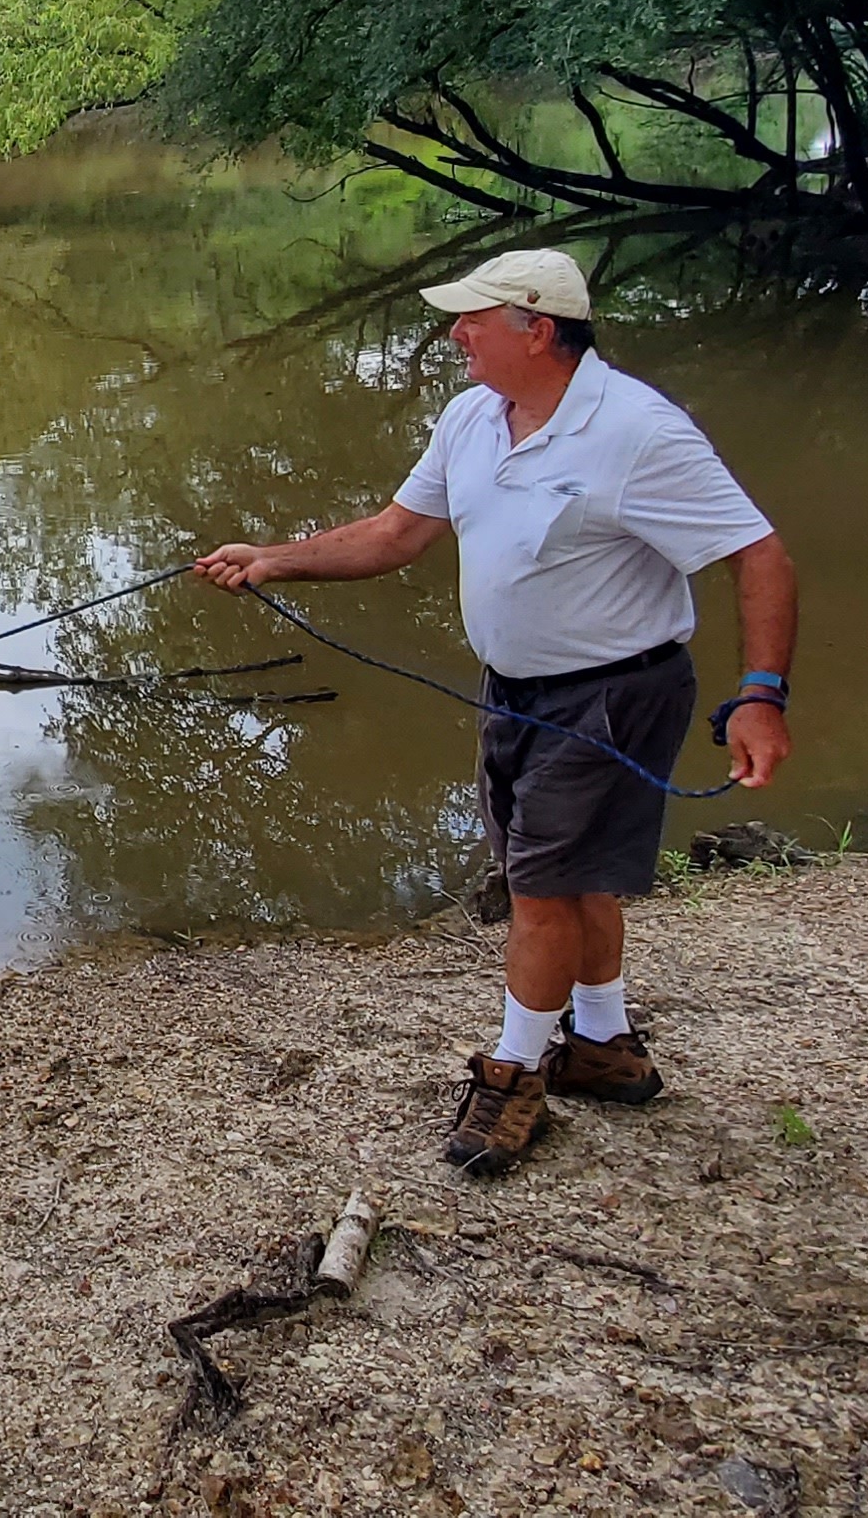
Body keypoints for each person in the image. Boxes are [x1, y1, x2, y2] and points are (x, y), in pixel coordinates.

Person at [192, 247, 795, 1175]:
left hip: (614, 695)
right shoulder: (473, 417)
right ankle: (602, 1047)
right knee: (573, 874)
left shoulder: (638, 430)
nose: (454, 334)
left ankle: (513, 1080)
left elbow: (757, 555)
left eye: (472, 319)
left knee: (541, 887)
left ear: (537, 329)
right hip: (514, 694)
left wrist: (761, 694)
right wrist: (273, 558)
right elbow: (397, 535)